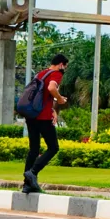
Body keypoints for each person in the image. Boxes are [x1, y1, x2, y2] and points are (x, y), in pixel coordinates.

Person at [22, 53, 68, 194]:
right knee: (53, 147)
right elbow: (51, 89)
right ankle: (33, 172)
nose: (65, 69)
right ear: (61, 64)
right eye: (65, 66)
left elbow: (42, 97)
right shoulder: (56, 74)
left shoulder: (41, 73)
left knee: (34, 150)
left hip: (31, 115)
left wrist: (53, 109)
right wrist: (60, 99)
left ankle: (27, 184)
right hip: (43, 118)